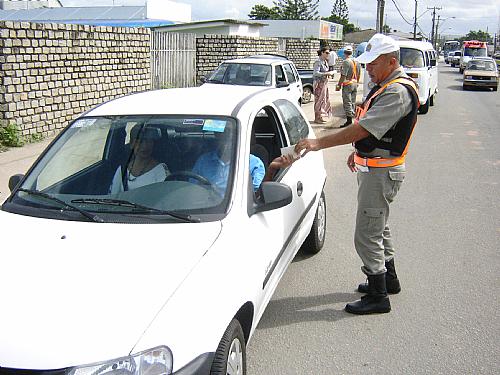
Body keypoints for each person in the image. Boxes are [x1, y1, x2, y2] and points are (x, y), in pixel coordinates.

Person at [294, 33, 420, 315]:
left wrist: (318, 143)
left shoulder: (396, 91)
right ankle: (388, 279)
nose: (368, 69)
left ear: (391, 61)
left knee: (367, 233)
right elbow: (374, 131)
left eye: (373, 64)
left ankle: (378, 295)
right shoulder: (386, 84)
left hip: (382, 172)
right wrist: (359, 151)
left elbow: (364, 128)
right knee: (379, 226)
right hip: (376, 166)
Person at [192, 127, 295, 195]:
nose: (225, 140)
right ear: (215, 136)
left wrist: (271, 169)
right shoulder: (203, 161)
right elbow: (192, 189)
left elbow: (260, 196)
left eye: (229, 135)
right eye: (221, 135)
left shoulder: (254, 163)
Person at [109, 125, 170, 193]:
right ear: (132, 144)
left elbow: (164, 198)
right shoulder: (122, 170)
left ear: (153, 144)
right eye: (140, 142)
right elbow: (113, 196)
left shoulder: (161, 170)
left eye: (149, 141)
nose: (145, 146)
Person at [336, 45, 361, 128]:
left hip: (348, 84)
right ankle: (352, 118)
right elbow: (359, 73)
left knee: (347, 102)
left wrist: (339, 85)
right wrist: (357, 82)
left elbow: (343, 75)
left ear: (344, 53)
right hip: (355, 83)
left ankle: (349, 120)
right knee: (353, 101)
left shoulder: (346, 61)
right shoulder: (357, 61)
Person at [312, 47, 334, 124]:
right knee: (318, 100)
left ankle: (321, 116)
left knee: (324, 100)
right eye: (327, 53)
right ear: (322, 53)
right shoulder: (318, 62)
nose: (328, 54)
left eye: (329, 53)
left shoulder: (325, 61)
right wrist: (326, 73)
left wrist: (328, 74)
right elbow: (316, 73)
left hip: (324, 83)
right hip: (319, 84)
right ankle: (317, 117)